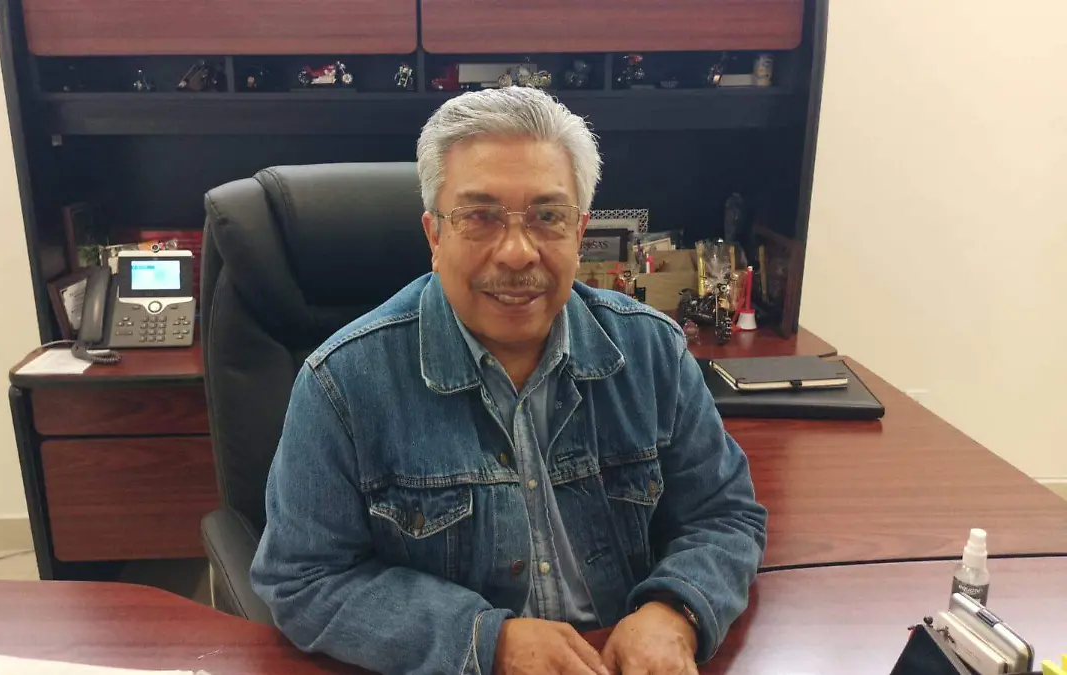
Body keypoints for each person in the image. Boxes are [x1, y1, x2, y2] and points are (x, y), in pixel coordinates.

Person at [251, 86, 767, 675]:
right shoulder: (343, 383)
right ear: (435, 236)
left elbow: (725, 515)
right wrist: (486, 642)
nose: (518, 254)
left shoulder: (652, 351)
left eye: (548, 217)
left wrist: (676, 610)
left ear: (580, 232)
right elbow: (304, 578)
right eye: (480, 217)